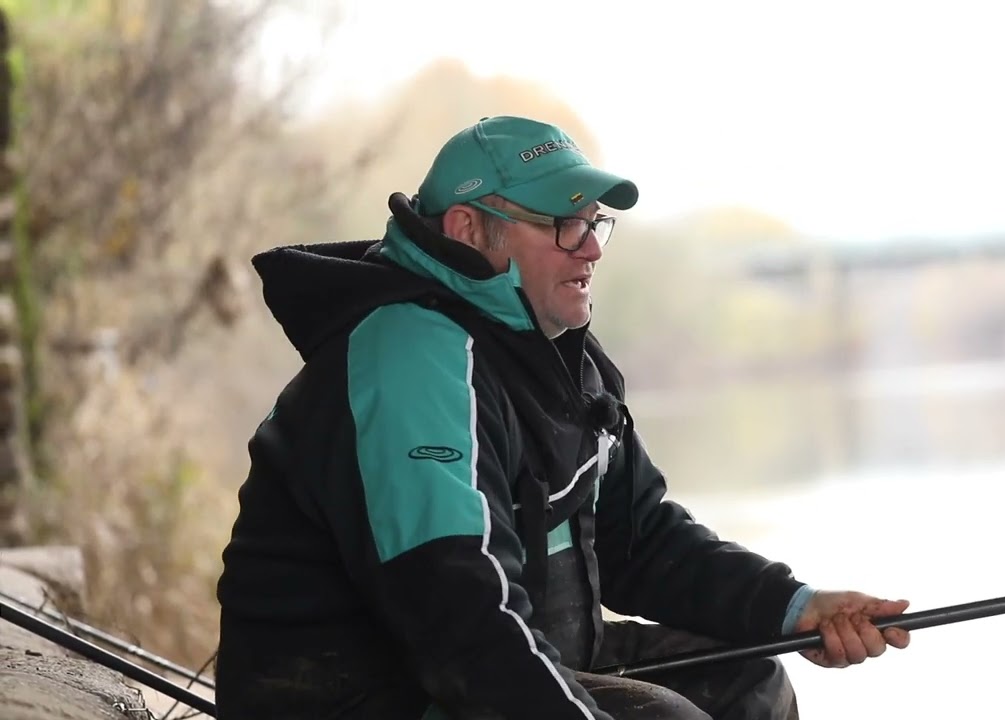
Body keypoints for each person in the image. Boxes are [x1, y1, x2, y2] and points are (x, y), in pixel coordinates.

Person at [213, 115, 911, 720]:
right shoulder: (412, 358)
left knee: (749, 682)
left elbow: (639, 543)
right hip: (359, 697)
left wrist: (796, 608)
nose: (593, 247)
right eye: (564, 223)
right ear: (469, 229)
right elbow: (460, 615)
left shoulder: (551, 350)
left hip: (494, 663)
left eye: (595, 223)